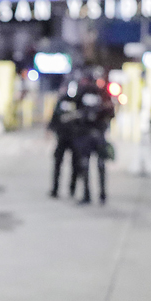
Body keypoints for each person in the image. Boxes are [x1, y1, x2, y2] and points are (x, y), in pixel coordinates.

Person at [72, 74, 115, 205]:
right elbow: (74, 112)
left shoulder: (103, 94)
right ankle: (87, 194)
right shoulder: (81, 94)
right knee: (84, 165)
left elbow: (111, 113)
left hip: (98, 133)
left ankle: (102, 194)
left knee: (100, 165)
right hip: (85, 134)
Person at [47, 84, 79, 198]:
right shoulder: (61, 101)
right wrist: (50, 129)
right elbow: (55, 116)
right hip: (62, 137)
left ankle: (72, 188)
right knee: (57, 163)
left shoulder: (78, 100)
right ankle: (55, 189)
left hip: (75, 137)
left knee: (75, 165)